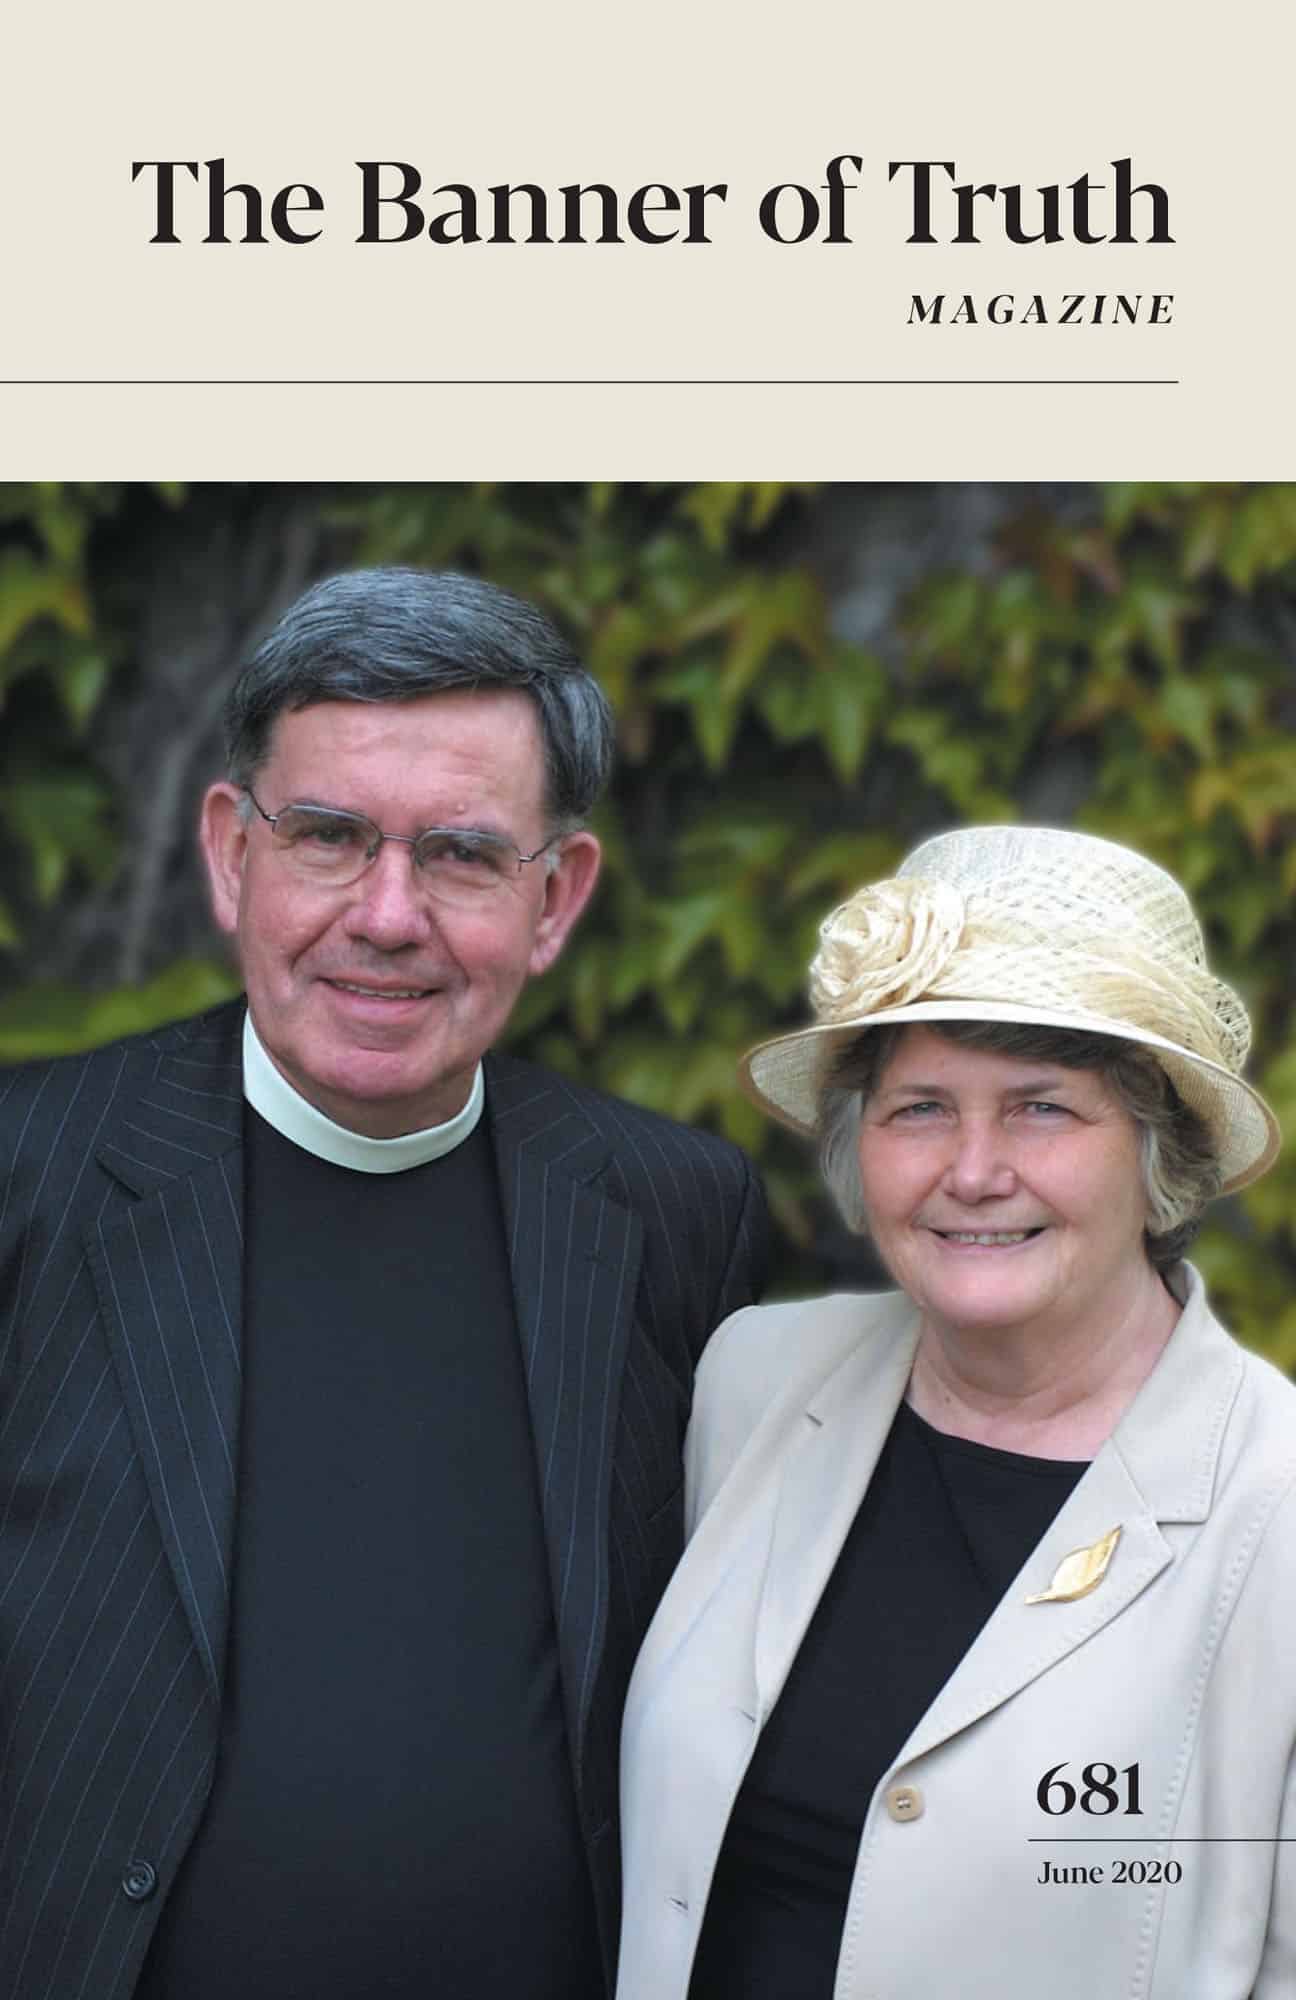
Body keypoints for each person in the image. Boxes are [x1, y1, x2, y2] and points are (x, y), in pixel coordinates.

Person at [0, 567, 770, 2000]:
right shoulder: (28, 1175)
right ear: (232, 853)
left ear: (557, 898)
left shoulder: (675, 1211)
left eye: (464, 854)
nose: (389, 915)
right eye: (330, 837)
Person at [617, 823, 1294, 2000]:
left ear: (1159, 1157)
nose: (973, 1171)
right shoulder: (755, 1381)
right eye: (921, 1107)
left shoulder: (1274, 1509)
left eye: (1042, 1108)